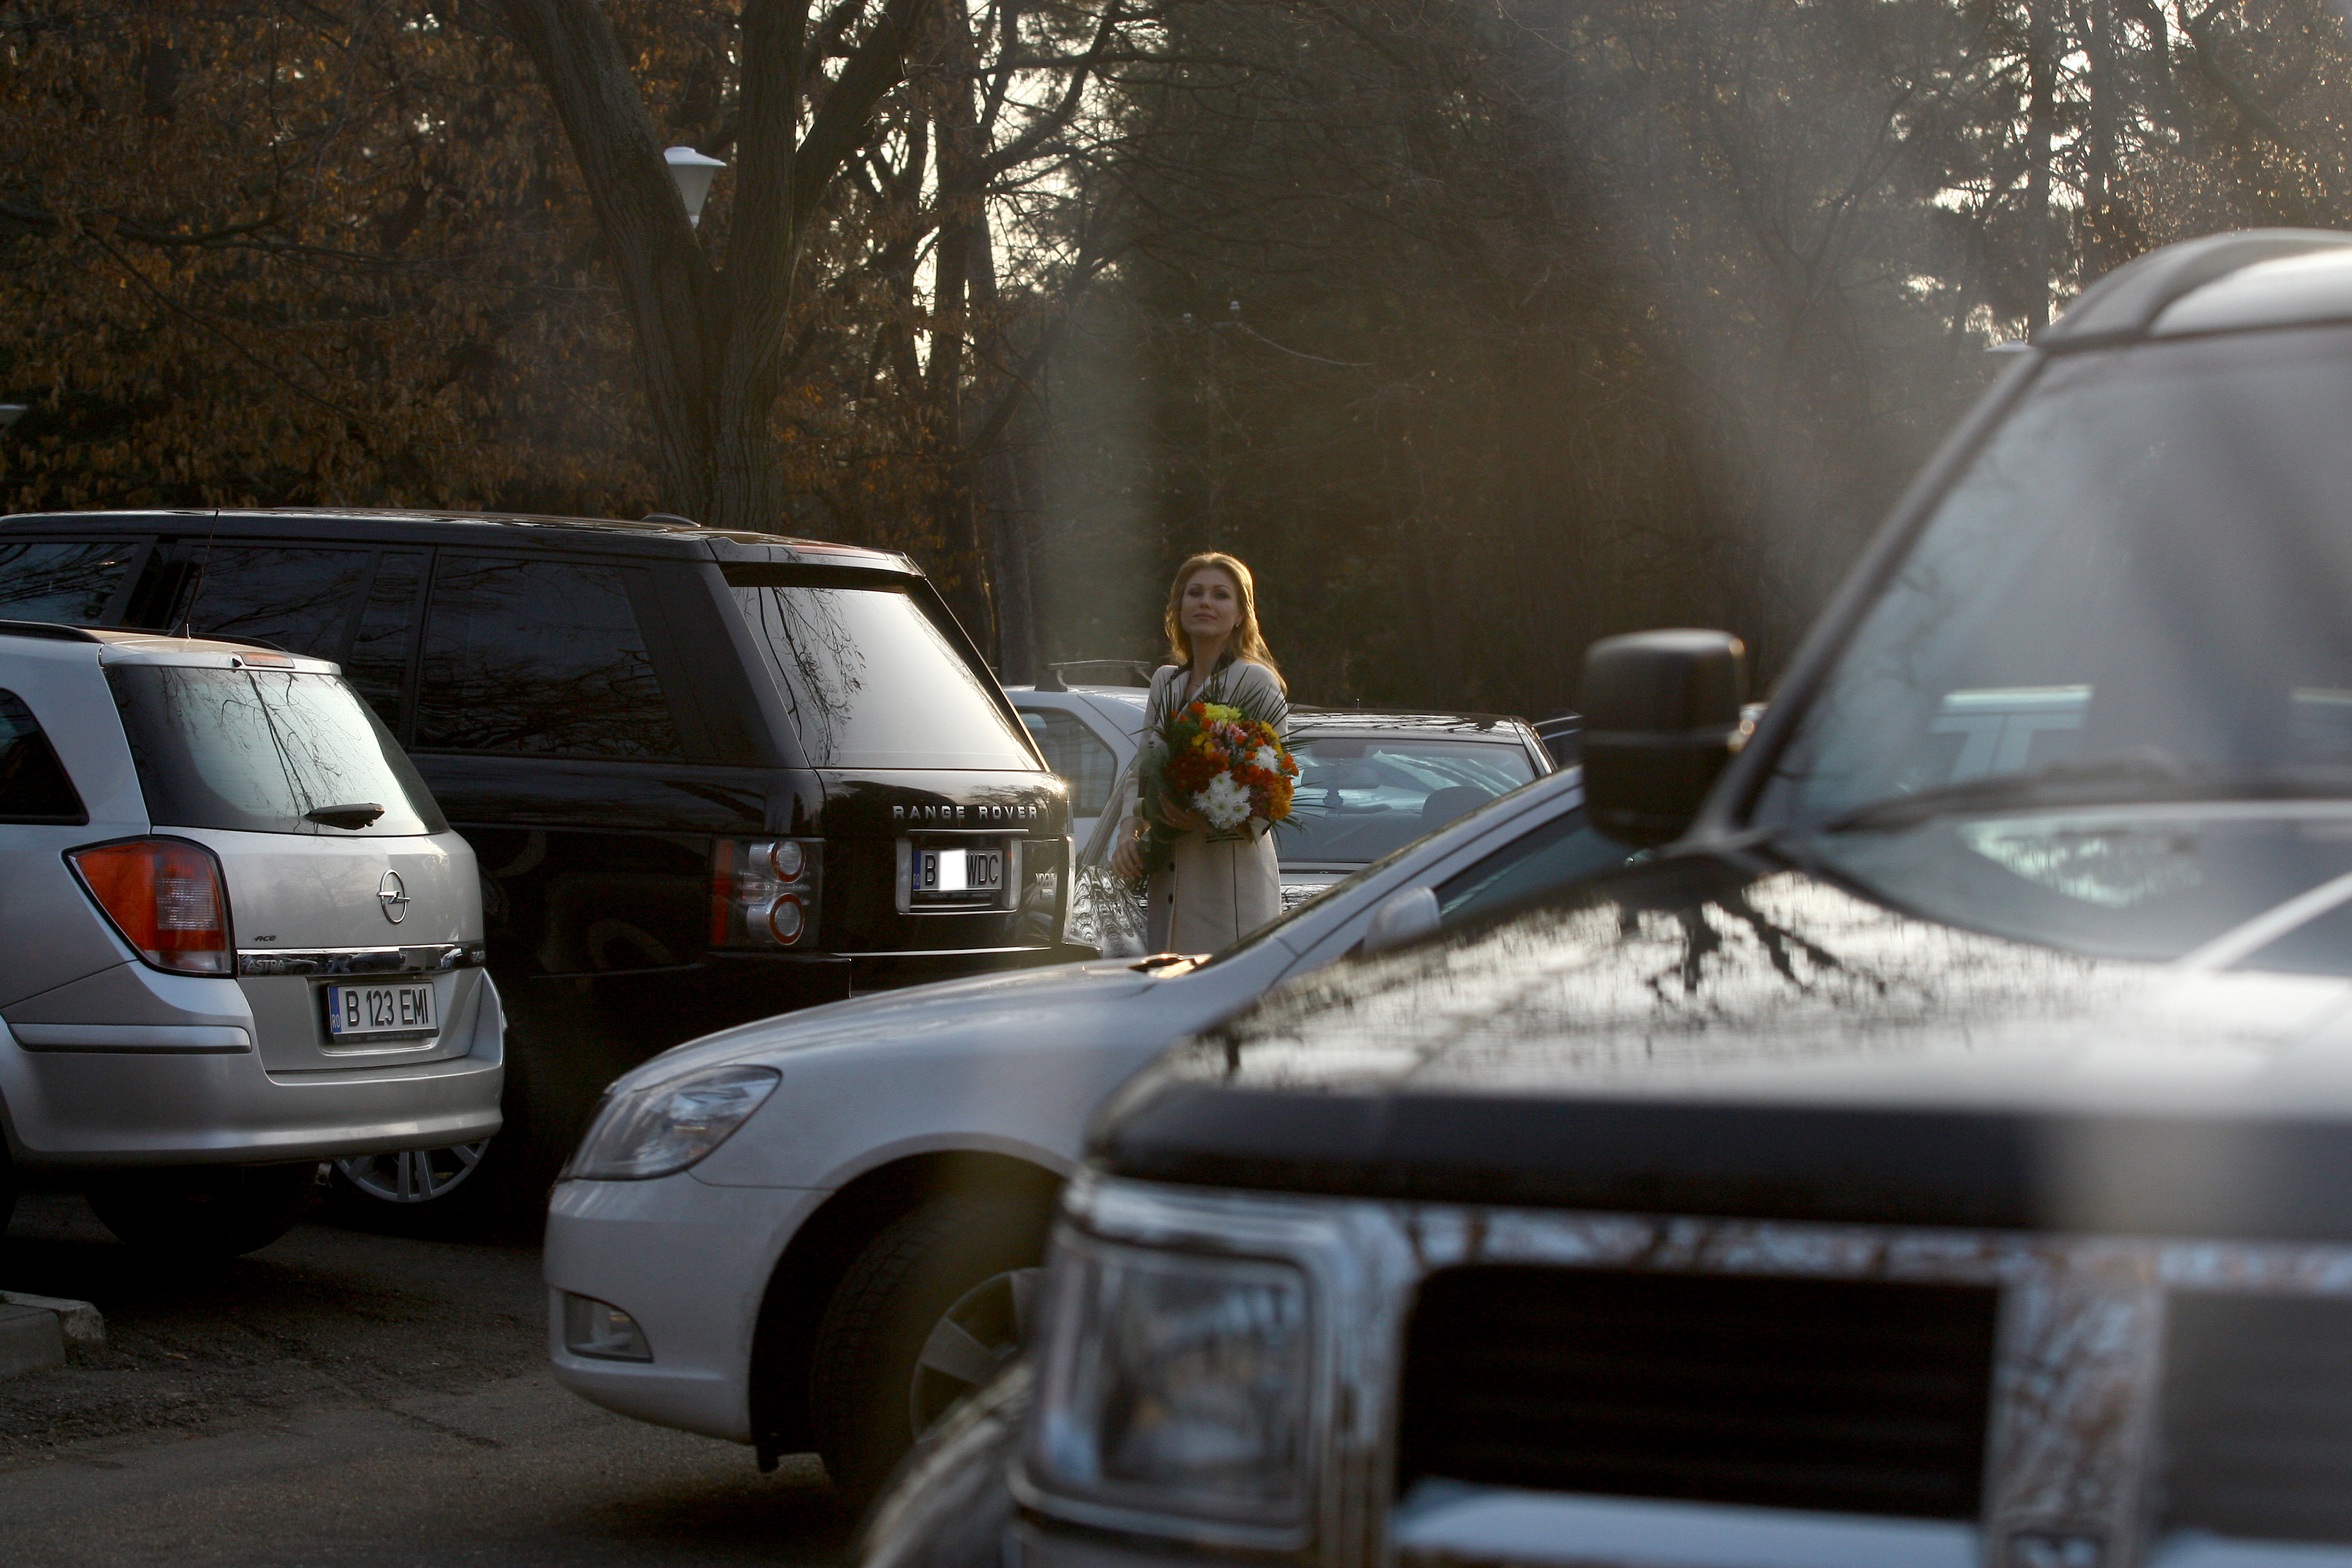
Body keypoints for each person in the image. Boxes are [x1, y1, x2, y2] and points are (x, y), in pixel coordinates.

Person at [1109, 552, 1290, 952]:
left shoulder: (1256, 681)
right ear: (1178, 606)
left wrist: (1208, 817)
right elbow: (1142, 770)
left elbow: (1276, 786)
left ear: (1241, 613)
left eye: (1220, 595)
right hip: (1170, 878)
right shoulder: (1166, 683)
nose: (1205, 602)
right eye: (1195, 593)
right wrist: (1128, 831)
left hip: (1229, 882)